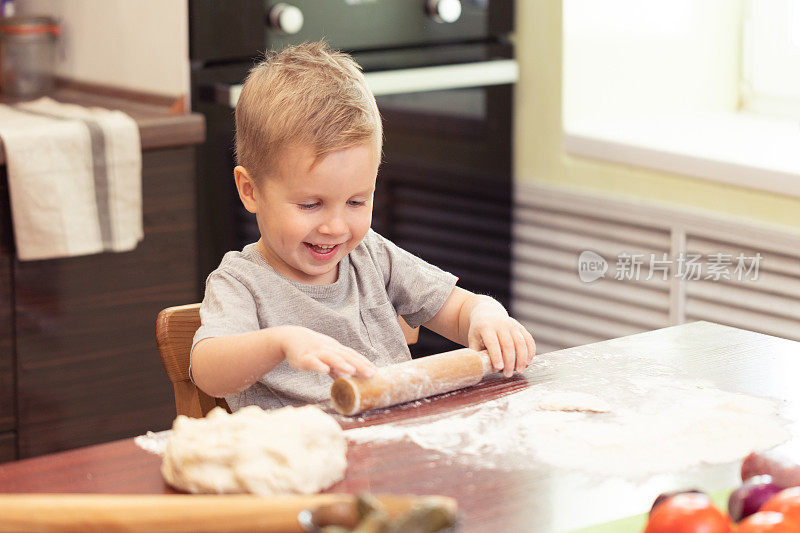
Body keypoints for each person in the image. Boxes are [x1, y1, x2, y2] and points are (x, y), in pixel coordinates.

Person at [190, 41, 535, 412]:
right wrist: (280, 343)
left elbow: (455, 308)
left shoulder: (371, 254)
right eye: (311, 204)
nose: (336, 227)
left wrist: (485, 315)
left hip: (395, 446)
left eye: (356, 202)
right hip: (308, 455)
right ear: (250, 191)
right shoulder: (241, 282)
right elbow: (208, 370)